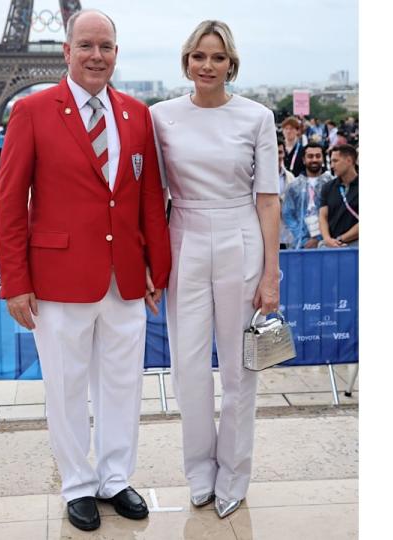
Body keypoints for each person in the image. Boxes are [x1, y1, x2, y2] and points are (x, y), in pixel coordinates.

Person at [0, 9, 171, 532]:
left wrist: (154, 268)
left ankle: (115, 477)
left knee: (121, 384)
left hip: (124, 277)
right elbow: (8, 204)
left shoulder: (138, 114)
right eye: (87, 45)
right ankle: (77, 484)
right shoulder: (31, 110)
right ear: (66, 52)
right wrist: (15, 281)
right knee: (67, 387)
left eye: (107, 46)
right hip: (58, 279)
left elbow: (147, 200)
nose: (97, 55)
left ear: (117, 52)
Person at [150, 19, 280, 519]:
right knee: (187, 367)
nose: (208, 65)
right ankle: (199, 472)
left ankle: (234, 473)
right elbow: (151, 196)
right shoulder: (161, 116)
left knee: (240, 367)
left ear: (232, 64)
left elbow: (267, 200)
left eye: (218, 57)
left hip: (240, 236)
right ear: (186, 61)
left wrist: (272, 274)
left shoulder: (258, 117)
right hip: (182, 235)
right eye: (200, 56)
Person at [284, 143, 333, 249]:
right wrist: (303, 239)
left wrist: (320, 238)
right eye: (310, 156)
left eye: (318, 156)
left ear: (323, 159)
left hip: (328, 243)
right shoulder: (294, 186)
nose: (314, 159)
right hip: (301, 245)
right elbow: (288, 215)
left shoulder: (332, 183)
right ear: (303, 159)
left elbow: (335, 214)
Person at [318, 144, 359, 248]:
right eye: (331, 161)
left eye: (335, 161)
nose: (332, 166)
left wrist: (341, 239)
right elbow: (323, 216)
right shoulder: (327, 187)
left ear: (349, 161)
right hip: (332, 244)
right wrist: (327, 239)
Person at [276, 139, 297, 248]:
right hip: (263, 236)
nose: (276, 156)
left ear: (284, 154)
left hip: (286, 237)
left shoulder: (291, 178)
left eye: (279, 152)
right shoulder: (255, 178)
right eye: (273, 151)